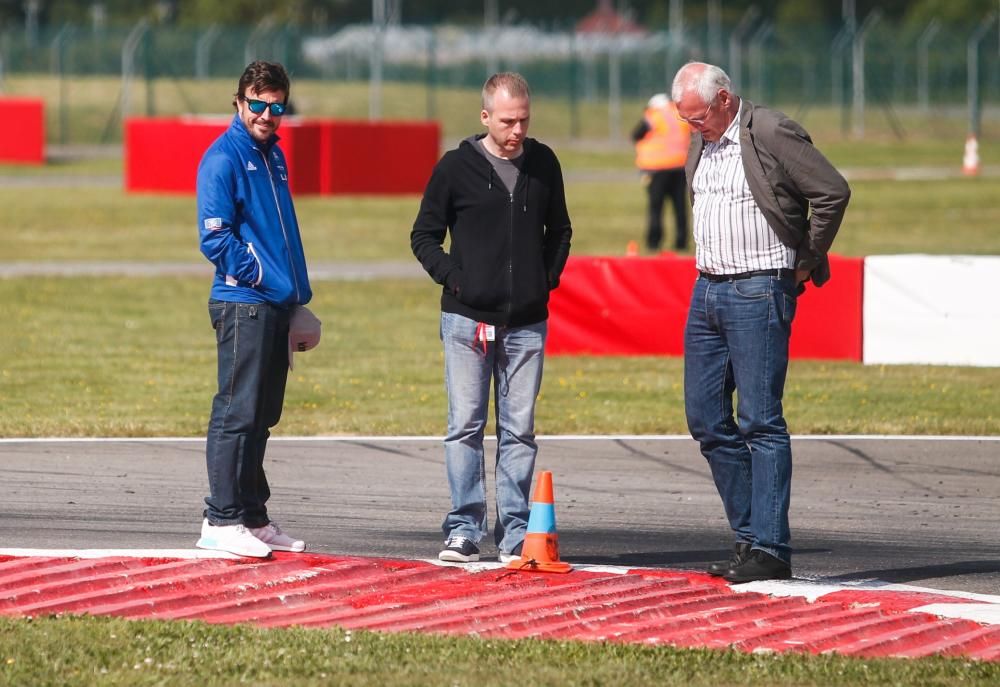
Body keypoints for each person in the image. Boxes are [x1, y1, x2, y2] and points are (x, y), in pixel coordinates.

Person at [673, 62, 850, 582]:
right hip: (708, 287)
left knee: (760, 420)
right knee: (705, 418)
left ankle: (770, 547)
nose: (693, 128)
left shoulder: (769, 130)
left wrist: (806, 258)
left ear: (724, 99)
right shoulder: (701, 139)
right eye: (687, 121)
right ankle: (751, 536)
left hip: (759, 287)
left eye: (699, 117)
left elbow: (832, 191)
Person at [411, 72, 573, 564]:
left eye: (523, 119)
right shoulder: (455, 167)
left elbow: (561, 229)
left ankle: (516, 531)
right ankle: (463, 527)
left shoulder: (543, 163)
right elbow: (423, 236)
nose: (517, 130)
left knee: (519, 429)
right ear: (486, 117)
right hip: (466, 321)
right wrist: (456, 281)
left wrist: (545, 278)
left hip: (527, 322)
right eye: (507, 121)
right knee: (465, 425)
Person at [195, 60, 320, 558]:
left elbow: (284, 236)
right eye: (258, 104)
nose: (267, 114)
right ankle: (220, 519)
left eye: (277, 105)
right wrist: (265, 278)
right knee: (237, 411)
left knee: (263, 414)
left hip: (274, 305)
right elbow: (215, 238)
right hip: (242, 304)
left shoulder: (274, 156)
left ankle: (251, 515)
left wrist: (298, 300)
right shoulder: (223, 158)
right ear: (238, 101)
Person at [631, 93, 691, 252]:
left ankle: (654, 242)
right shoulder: (680, 115)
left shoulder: (654, 116)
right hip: (679, 167)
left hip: (657, 169)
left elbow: (636, 134)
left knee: (656, 208)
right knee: (680, 208)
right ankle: (681, 242)